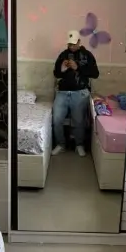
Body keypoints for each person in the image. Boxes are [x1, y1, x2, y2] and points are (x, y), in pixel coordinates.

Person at [52, 29, 99, 157]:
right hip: (62, 92)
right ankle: (60, 144)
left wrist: (78, 67)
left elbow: (95, 74)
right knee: (56, 119)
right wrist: (62, 69)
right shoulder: (63, 55)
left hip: (80, 92)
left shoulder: (87, 55)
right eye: (69, 44)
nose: (71, 46)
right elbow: (56, 74)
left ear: (79, 42)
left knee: (79, 121)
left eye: (73, 44)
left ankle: (79, 145)